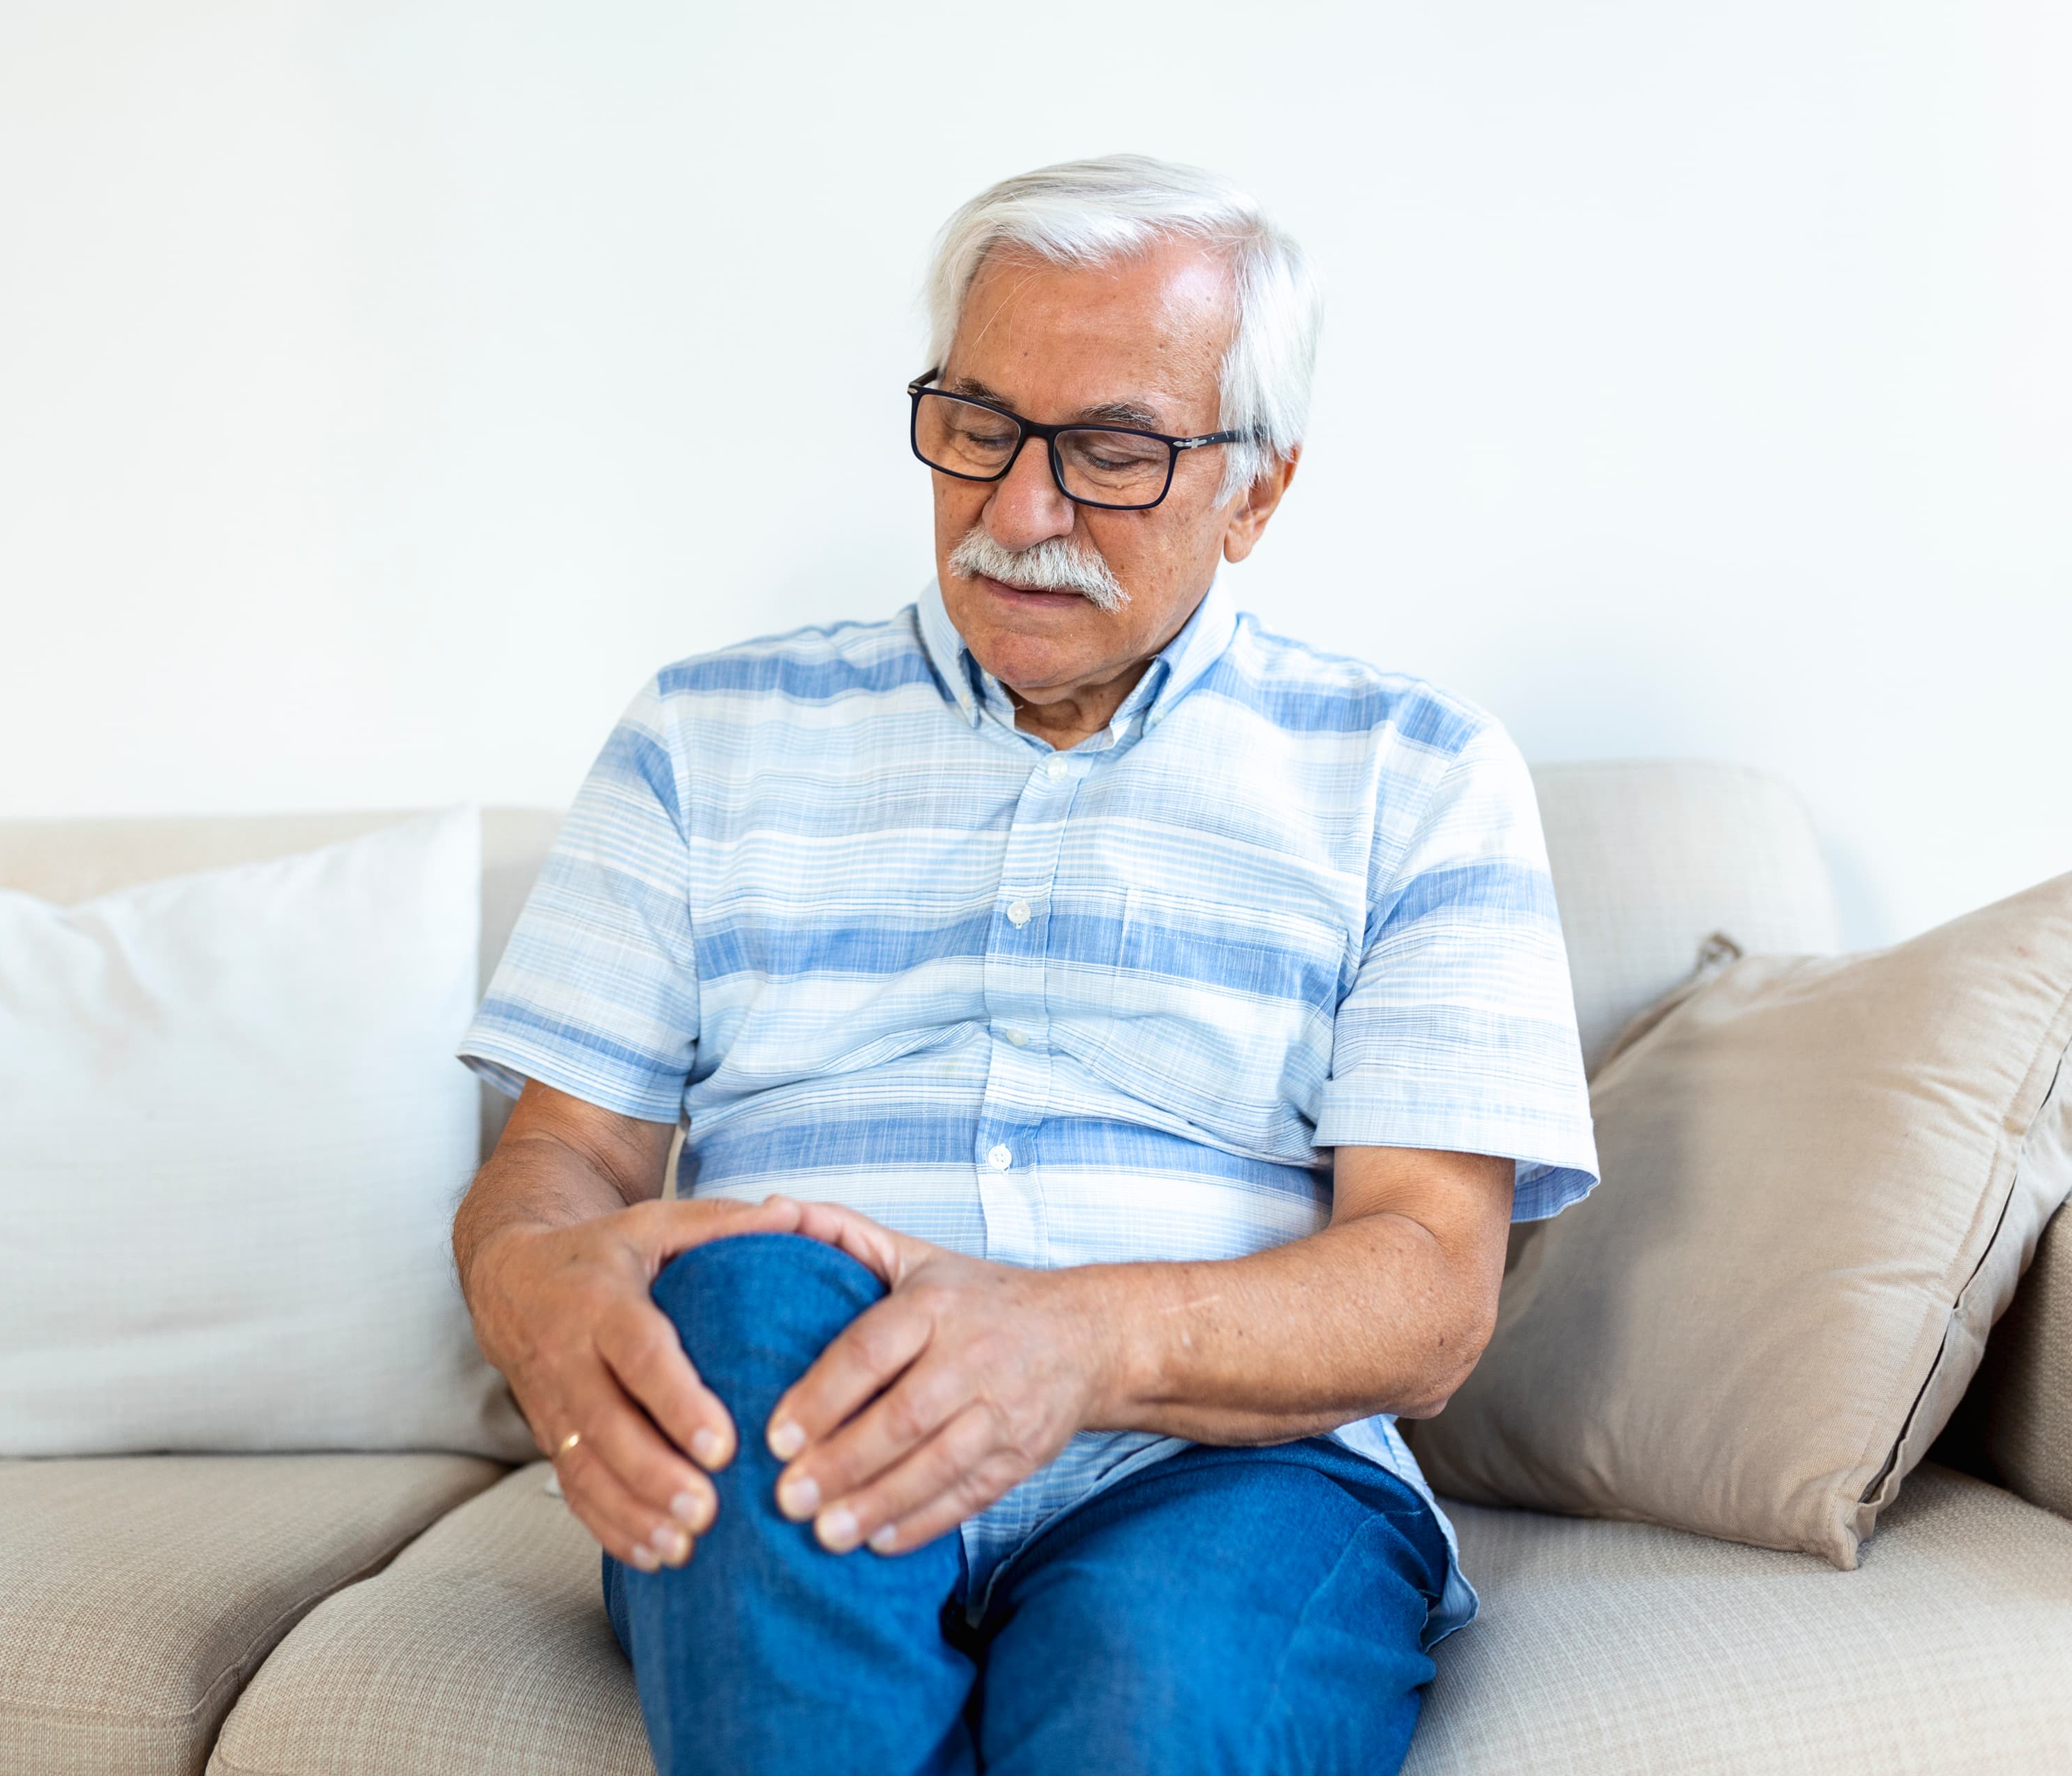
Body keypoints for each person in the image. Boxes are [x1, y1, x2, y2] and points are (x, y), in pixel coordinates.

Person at [450, 154, 1597, 1776]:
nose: (1015, 511)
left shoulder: (1416, 770)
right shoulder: (701, 737)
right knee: (753, 1282)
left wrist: (1073, 1339)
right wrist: (524, 1278)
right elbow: (561, 1156)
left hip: (1224, 1469)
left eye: (1112, 451)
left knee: (1152, 1707)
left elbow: (1425, 1286)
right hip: (793, 1402)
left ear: (1258, 488)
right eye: (979, 427)